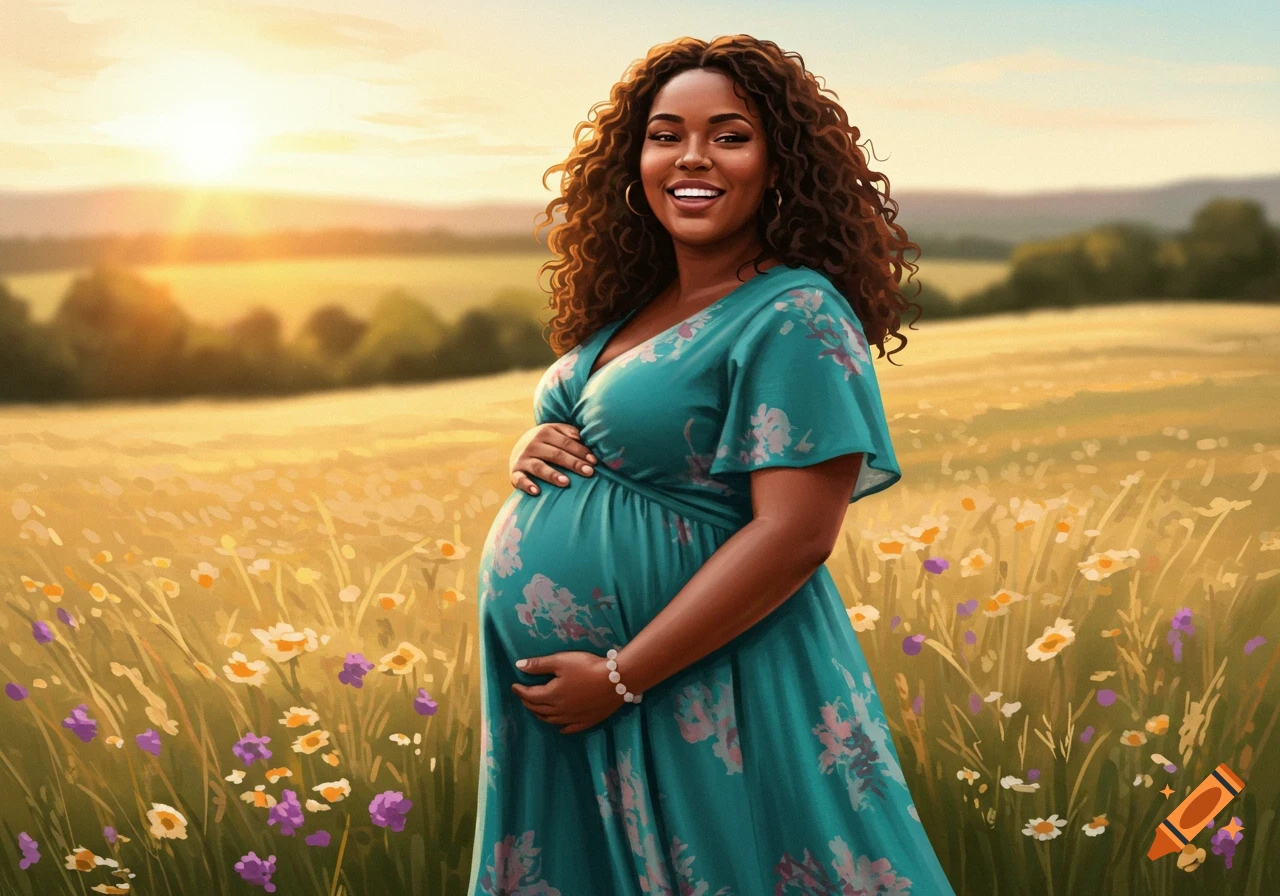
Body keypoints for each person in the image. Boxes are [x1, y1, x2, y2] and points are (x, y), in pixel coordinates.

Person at [468, 35, 955, 896]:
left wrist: (621, 678)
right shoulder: (640, 301)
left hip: (701, 690)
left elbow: (796, 533)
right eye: (666, 134)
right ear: (635, 156)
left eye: (729, 135)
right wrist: (533, 439)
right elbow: (621, 439)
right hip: (579, 708)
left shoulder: (795, 312)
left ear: (780, 162)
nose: (692, 158)